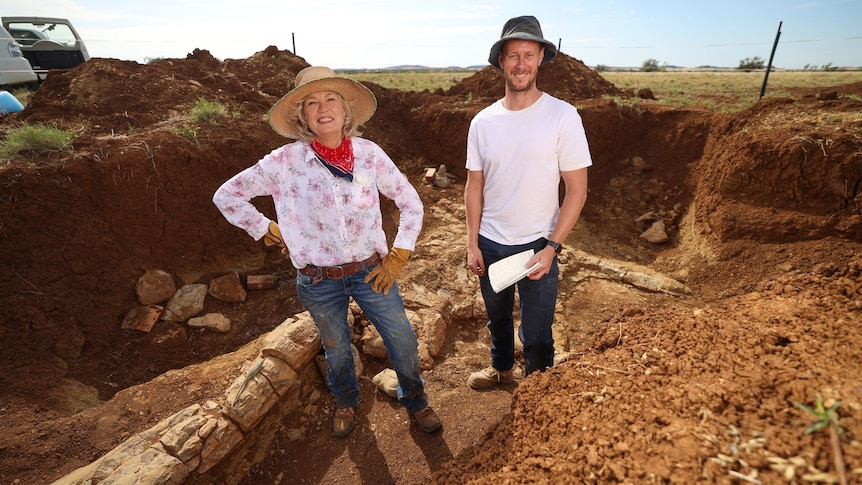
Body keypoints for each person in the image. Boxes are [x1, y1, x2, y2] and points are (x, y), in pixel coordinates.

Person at [213, 66, 441, 437]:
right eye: (311, 102)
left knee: (402, 340)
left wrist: (399, 254)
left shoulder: (369, 154)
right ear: (302, 116)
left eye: (330, 98)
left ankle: (415, 399)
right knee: (336, 350)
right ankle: (347, 402)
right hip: (318, 281)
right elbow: (226, 195)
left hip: (372, 272)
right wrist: (266, 228)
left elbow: (410, 201)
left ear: (345, 109)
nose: (323, 107)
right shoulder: (283, 162)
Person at [464, 16, 592, 389]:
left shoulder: (563, 117)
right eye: (513, 55)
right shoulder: (482, 122)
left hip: (539, 245)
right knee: (498, 317)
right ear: (501, 61)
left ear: (540, 60)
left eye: (529, 55)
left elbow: (577, 190)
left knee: (537, 333)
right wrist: (472, 242)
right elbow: (474, 186)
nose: (521, 64)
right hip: (490, 242)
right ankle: (501, 368)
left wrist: (553, 246)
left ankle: (537, 391)